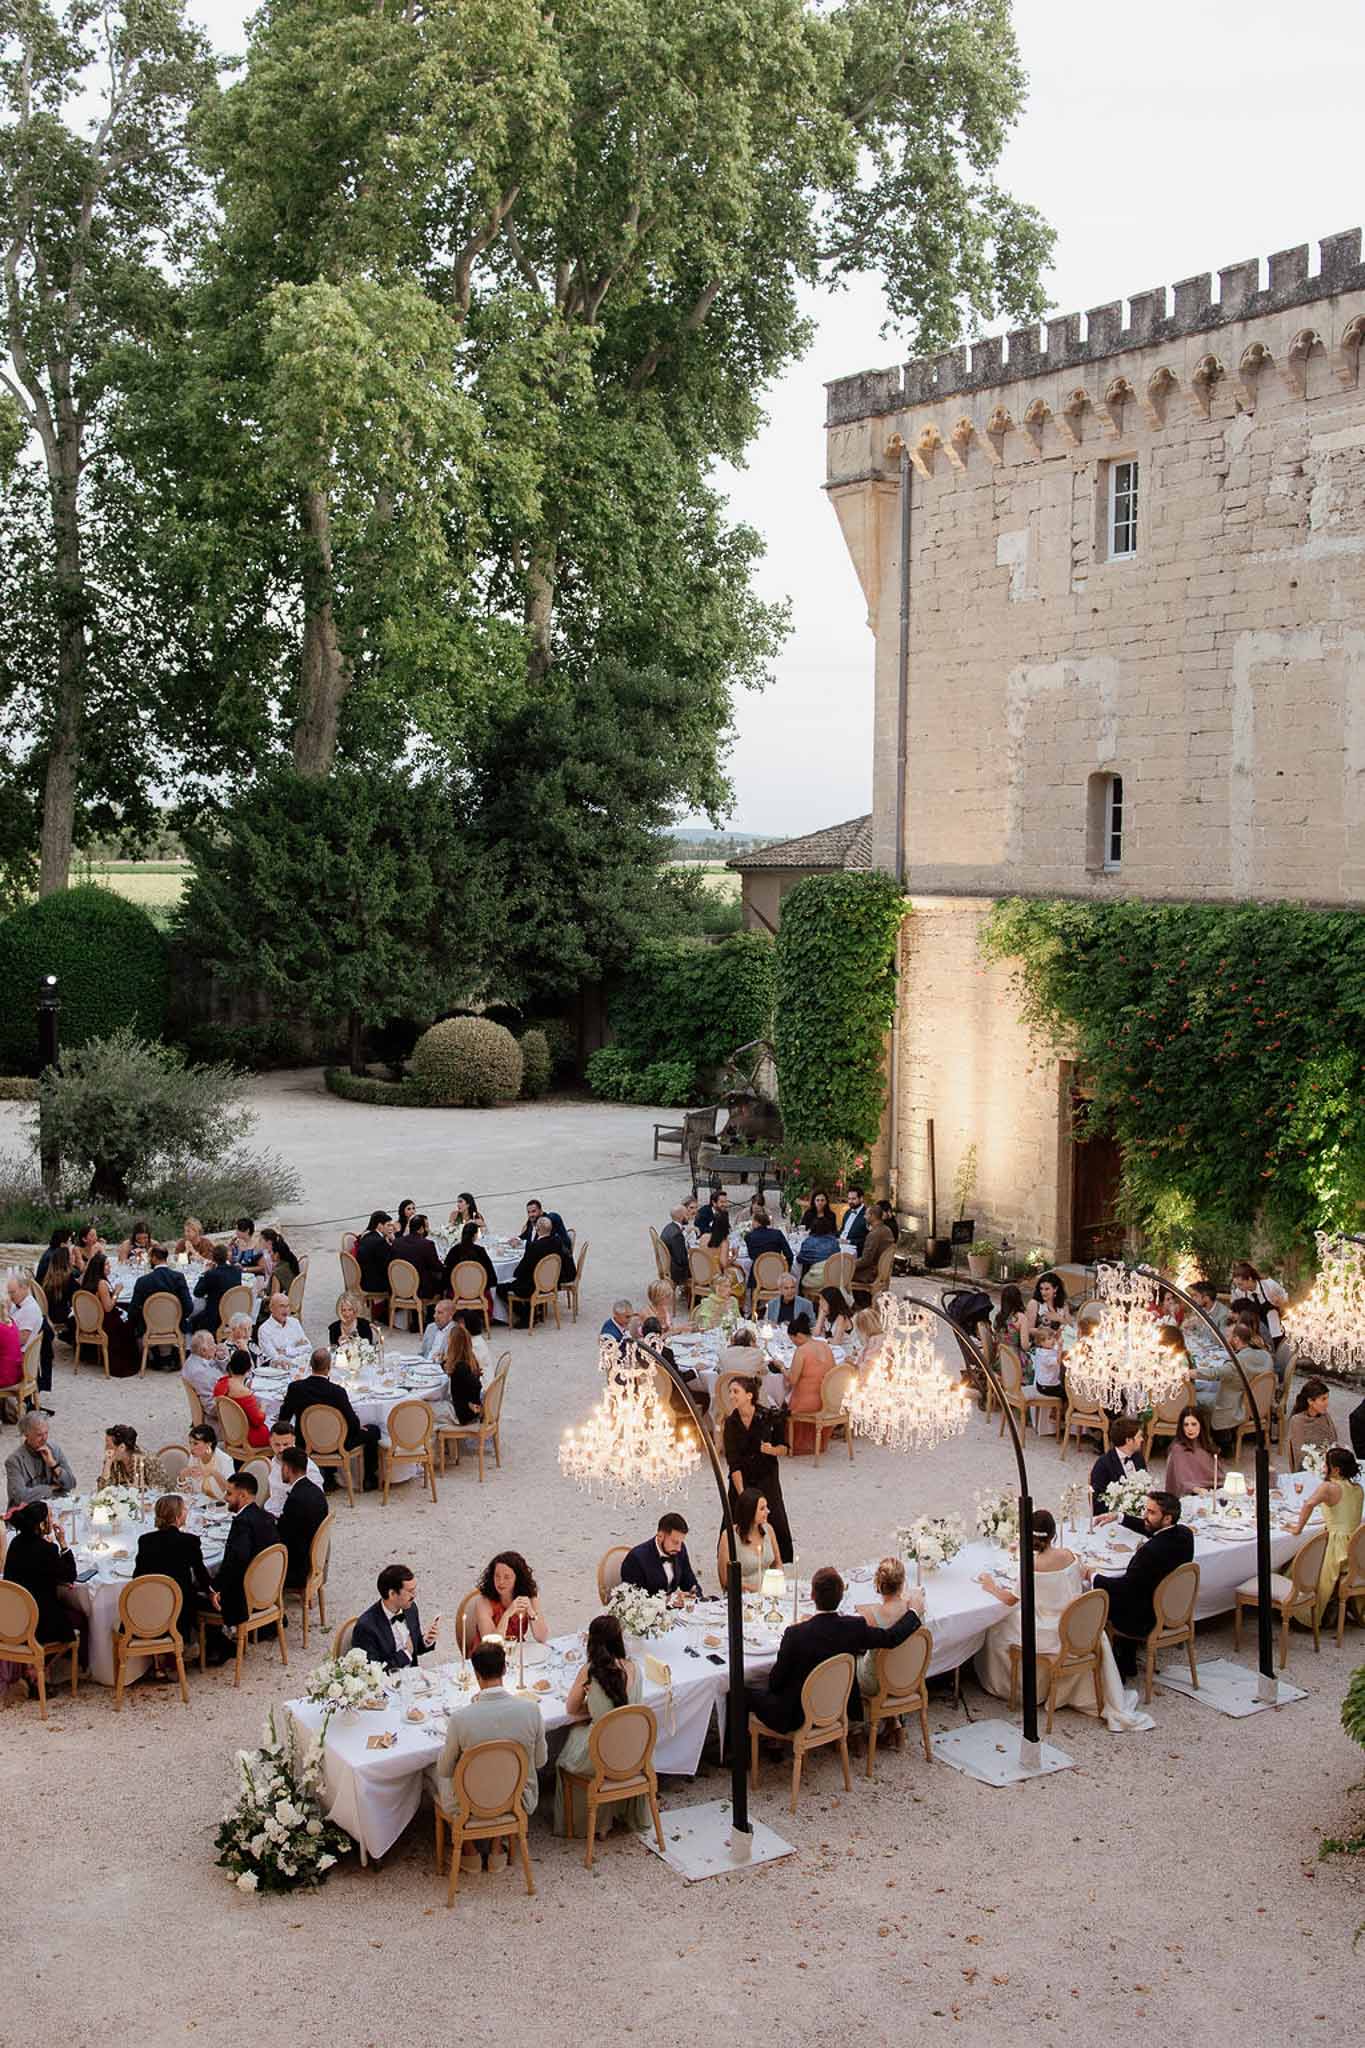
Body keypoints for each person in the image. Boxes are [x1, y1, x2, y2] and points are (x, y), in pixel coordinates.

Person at [977, 1511, 1154, 1731]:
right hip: (1078, 1628)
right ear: (1052, 1534)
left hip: (1049, 1634)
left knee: (998, 1627)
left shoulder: (1031, 1565)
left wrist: (990, 1585)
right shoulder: (1071, 1556)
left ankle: (1013, 1688)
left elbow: (1010, 1599)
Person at [749, 1565, 922, 1733]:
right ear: (841, 1596)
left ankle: (740, 1753)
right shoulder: (853, 1627)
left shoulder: (795, 1634)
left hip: (797, 1715)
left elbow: (775, 1682)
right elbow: (891, 1638)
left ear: (812, 1595)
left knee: (740, 1693)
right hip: (840, 1707)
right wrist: (913, 1611)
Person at [433, 1640, 546, 1872]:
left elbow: (444, 1771)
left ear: (476, 1674)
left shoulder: (460, 1719)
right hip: (516, 1798)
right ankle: (496, 1847)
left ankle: (470, 1851)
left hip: (470, 1804)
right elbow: (540, 1761)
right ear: (505, 1669)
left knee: (435, 1771)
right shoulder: (531, 1710)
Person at [553, 1614, 646, 1836]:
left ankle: (582, 1823)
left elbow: (571, 1709)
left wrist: (594, 1707)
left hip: (601, 1755)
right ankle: (612, 1814)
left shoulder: (588, 1671)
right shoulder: (634, 1668)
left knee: (565, 1752)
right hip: (633, 1752)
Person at [1084, 1491, 1195, 1678]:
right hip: (1175, 1610)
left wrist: (1092, 1575)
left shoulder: (1149, 1552)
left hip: (1146, 1619)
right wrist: (1119, 1517)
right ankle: (1127, 1657)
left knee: (1095, 1599)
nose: (1145, 1516)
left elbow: (1125, 1588)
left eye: (1151, 1512)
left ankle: (1108, 1664)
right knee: (1137, 1591)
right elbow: (1153, 1530)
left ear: (1167, 1518)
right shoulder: (1184, 1534)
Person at [3, 1499, 91, 1672]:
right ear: (42, 1524)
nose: (52, 1520)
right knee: (81, 1619)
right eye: (50, 1517)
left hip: (13, 1617)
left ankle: (41, 1666)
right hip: (39, 1621)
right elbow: (69, 1576)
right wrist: (63, 1544)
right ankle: (49, 1668)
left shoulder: (15, 1543)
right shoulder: (46, 1550)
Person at [275, 1348, 382, 1490]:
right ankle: (368, 1478)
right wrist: (357, 1428)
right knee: (373, 1430)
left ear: (311, 1365)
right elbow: (353, 1424)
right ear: (329, 1368)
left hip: (306, 1442)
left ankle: (329, 1477)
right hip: (337, 1443)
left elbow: (284, 1418)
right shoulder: (337, 1392)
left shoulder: (295, 1388)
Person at [1287, 1446, 1362, 1624]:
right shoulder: (1358, 1488)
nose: (1323, 1468)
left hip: (1338, 1546)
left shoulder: (1329, 1487)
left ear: (1335, 1469)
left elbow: (1308, 1505)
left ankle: (1310, 1611)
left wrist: (1298, 1528)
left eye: (1326, 1465)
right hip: (1356, 1545)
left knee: (1301, 1560)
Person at [724, 1376, 793, 1562]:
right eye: (730, 1391)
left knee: (774, 1518)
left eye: (735, 1391)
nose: (731, 1396)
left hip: (766, 1477)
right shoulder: (731, 1424)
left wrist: (770, 1450)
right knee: (736, 1520)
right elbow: (733, 1463)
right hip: (742, 1479)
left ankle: (780, 1560)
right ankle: (735, 1560)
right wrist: (743, 1496)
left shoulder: (770, 1418)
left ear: (749, 1395)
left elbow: (785, 1448)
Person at [134, 1493, 217, 1647]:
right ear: (178, 1516)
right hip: (180, 1607)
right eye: (184, 1509)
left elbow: (137, 1577)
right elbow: (201, 1574)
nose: (186, 1511)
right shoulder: (190, 1541)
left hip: (151, 1606)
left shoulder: (145, 1541)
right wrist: (211, 1592)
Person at [210, 1472, 277, 1629]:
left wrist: (214, 1588)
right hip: (268, 1587)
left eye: (229, 1493)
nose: (225, 1498)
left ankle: (212, 1643)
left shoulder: (242, 1523)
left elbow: (236, 1562)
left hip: (244, 1597)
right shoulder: (266, 1516)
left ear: (243, 1495)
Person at [855, 1557, 916, 1718]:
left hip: (876, 1682)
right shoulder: (915, 1610)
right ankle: (893, 1723)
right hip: (909, 1674)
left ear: (878, 1584)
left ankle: (856, 1728)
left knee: (846, 1660)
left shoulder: (870, 1615)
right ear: (902, 1583)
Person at [352, 1563, 438, 1672]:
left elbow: (414, 1648)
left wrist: (426, 1641)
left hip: (414, 1679)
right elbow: (371, 1672)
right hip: (386, 1684)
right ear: (392, 1594)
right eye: (410, 1591)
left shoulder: (410, 1609)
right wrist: (405, 1655)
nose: (414, 1595)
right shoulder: (366, 1627)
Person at [127, 1244, 194, 1367]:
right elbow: (189, 1307)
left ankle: (152, 1355)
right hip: (176, 1327)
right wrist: (177, 1318)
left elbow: (132, 1310)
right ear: (166, 1258)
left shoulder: (143, 1281)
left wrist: (146, 1318)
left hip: (149, 1327)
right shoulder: (178, 1278)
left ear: (153, 1258)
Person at [470, 1551, 548, 1650]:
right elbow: (492, 1645)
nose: (501, 1582)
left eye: (507, 1577)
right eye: (497, 1576)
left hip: (515, 1651)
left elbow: (542, 1638)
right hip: (488, 1657)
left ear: (518, 1578)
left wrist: (531, 1612)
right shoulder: (483, 1602)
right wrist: (507, 1615)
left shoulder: (529, 1598)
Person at [275, 1448, 329, 1590]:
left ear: (287, 1468)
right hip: (314, 1560)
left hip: (298, 1569)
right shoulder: (316, 1491)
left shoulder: (295, 1499)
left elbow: (281, 1537)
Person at [79, 1250, 139, 1376]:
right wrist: (116, 1292)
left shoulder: (88, 1280)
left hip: (91, 1319)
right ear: (100, 1267)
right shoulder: (101, 1284)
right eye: (106, 1264)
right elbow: (108, 1307)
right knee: (131, 1323)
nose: (109, 1266)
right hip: (105, 1320)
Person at [620, 1511, 702, 1602]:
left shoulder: (680, 1549)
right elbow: (634, 1600)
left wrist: (694, 1594)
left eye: (681, 1542)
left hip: (676, 1612)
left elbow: (689, 1580)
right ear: (660, 1536)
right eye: (675, 1542)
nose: (679, 1548)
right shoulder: (636, 1559)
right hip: (650, 1613)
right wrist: (667, 1601)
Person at [785, 1314, 835, 1455]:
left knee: (781, 1403)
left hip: (807, 1403)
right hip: (828, 1400)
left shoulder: (802, 1351)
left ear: (799, 1335)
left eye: (792, 1339)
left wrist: (782, 1368)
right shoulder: (825, 1345)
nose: (793, 1342)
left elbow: (792, 1380)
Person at [717, 1489, 780, 1591]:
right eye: (762, 1509)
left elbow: (777, 1564)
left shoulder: (768, 1529)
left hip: (770, 1594)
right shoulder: (728, 1536)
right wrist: (757, 1590)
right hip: (744, 1595)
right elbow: (726, 1580)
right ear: (750, 1511)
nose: (768, 1511)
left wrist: (777, 1583)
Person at [6, 1414, 76, 1505]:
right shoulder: (14, 1461)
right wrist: (50, 1488)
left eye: (46, 1433)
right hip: (29, 1510)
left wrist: (54, 1465)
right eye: (39, 1435)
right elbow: (19, 1497)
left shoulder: (54, 1449)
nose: (44, 1439)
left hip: (55, 1504)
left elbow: (71, 1484)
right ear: (26, 1435)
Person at [430, 1321, 486, 1428]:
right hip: (463, 1409)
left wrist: (470, 1403)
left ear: (452, 1344)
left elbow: (477, 1385)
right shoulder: (468, 1359)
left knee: (423, 1407)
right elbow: (447, 1367)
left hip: (461, 1413)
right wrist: (443, 1360)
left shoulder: (460, 1367)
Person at [443, 1221, 499, 1331]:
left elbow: (446, 1275)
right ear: (475, 1236)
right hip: (478, 1293)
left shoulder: (454, 1251)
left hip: (457, 1293)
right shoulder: (480, 1251)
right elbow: (492, 1277)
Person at [1090, 1416, 1148, 1516]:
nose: (1142, 1440)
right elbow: (1097, 1503)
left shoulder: (1138, 1458)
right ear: (1129, 1440)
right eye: (1139, 1436)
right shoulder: (1103, 1464)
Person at [214, 1346, 271, 1448]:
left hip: (230, 1431)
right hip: (248, 1437)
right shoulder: (245, 1394)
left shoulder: (221, 1384)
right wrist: (263, 1407)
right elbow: (258, 1421)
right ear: (248, 1369)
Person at [264, 1423, 323, 1513]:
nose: (281, 1449)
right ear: (270, 1442)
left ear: (293, 1441)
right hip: (271, 1510)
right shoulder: (274, 1461)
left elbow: (316, 1500)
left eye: (285, 1444)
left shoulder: (307, 1468)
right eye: (277, 1445)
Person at [1163, 1407, 1221, 1497]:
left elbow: (1218, 1476)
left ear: (1201, 1425)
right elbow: (1181, 1481)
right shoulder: (1177, 1449)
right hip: (1189, 1495)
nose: (1190, 1428)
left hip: (1212, 1491)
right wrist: (1198, 1490)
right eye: (1186, 1425)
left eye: (1194, 1424)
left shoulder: (1207, 1445)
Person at [849, 1200, 896, 1306]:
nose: (864, 1217)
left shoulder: (874, 1234)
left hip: (871, 1273)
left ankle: (857, 1305)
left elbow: (866, 1260)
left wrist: (849, 1264)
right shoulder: (886, 1230)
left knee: (842, 1274)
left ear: (872, 1216)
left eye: (866, 1214)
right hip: (880, 1270)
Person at [99, 1424, 167, 1492]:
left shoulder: (149, 1461)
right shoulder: (113, 1462)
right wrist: (107, 1465)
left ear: (122, 1447)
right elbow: (103, 1492)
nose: (106, 1449)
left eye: (109, 1446)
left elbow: (160, 1491)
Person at [189, 1244, 239, 1335]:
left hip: (215, 1318)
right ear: (227, 1256)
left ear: (213, 1259)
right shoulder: (236, 1271)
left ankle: (192, 1347)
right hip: (233, 1313)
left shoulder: (211, 1274)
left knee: (191, 1322)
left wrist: (204, 1273)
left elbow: (197, 1293)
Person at [1287, 1379, 1336, 1470]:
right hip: (1310, 1469)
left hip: (1329, 1466)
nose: (1327, 1403)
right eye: (1323, 1399)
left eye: (1327, 1398)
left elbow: (1334, 1442)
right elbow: (1300, 1456)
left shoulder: (1325, 1416)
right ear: (1310, 1401)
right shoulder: (1297, 1421)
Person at [394, 1212, 444, 1300]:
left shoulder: (397, 1242)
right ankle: (432, 1311)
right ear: (421, 1229)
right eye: (426, 1227)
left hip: (399, 1287)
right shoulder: (427, 1244)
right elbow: (436, 1267)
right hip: (421, 1290)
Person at [180, 1423, 233, 1501]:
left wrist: (213, 1473)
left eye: (195, 1443)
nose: (191, 1448)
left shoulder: (225, 1460)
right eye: (190, 1443)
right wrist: (182, 1477)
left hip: (221, 1507)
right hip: (201, 1506)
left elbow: (231, 1491)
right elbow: (188, 1492)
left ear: (208, 1444)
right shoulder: (194, 1457)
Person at [255, 1293, 310, 1368]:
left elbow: (308, 1347)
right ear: (271, 1308)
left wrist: (286, 1351)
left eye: (287, 1306)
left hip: (300, 1366)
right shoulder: (264, 1330)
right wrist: (297, 1348)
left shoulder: (294, 1322)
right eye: (282, 1306)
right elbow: (276, 1358)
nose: (286, 1310)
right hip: (278, 1371)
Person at [355, 1211, 397, 1294]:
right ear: (380, 1225)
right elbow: (391, 1260)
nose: (391, 1228)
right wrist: (394, 1240)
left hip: (364, 1280)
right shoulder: (380, 1242)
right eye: (388, 1225)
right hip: (375, 1284)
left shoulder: (366, 1236)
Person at [694, 1265, 741, 1332]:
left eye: (729, 1286)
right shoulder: (708, 1302)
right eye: (725, 1286)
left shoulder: (733, 1301)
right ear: (717, 1288)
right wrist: (720, 1311)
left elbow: (739, 1321)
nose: (729, 1290)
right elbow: (705, 1327)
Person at [660, 1201, 694, 1287]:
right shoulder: (677, 1235)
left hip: (669, 1265)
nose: (688, 1217)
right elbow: (681, 1260)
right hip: (677, 1272)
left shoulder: (668, 1227)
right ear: (681, 1217)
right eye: (686, 1214)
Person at [259, 1229, 301, 1296]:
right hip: (291, 1298)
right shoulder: (289, 1262)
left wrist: (262, 1297)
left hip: (281, 1304)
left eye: (270, 1252)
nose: (269, 1255)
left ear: (277, 1254)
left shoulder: (278, 1273)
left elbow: (274, 1298)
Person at [839, 1184, 870, 1252]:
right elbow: (842, 1230)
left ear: (861, 1198)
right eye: (849, 1199)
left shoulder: (868, 1214)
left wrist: (849, 1241)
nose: (850, 1201)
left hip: (853, 1248)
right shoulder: (847, 1212)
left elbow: (868, 1239)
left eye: (853, 1199)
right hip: (840, 1244)